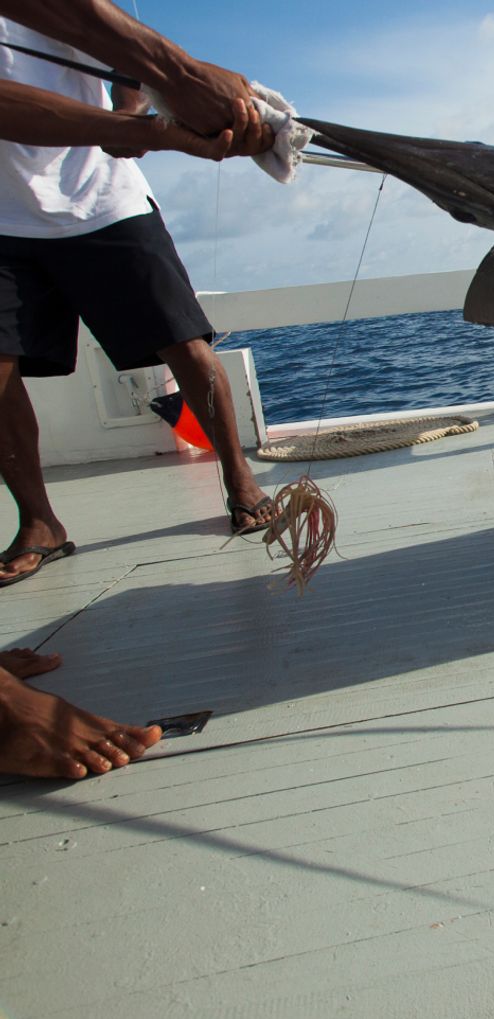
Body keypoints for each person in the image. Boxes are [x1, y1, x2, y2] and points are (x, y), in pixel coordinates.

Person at [0, 3, 278, 778]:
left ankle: (240, 477)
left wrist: (159, 90)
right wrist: (148, 128)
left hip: (102, 198)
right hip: (3, 216)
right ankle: (40, 522)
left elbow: (124, 69)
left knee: (186, 344)